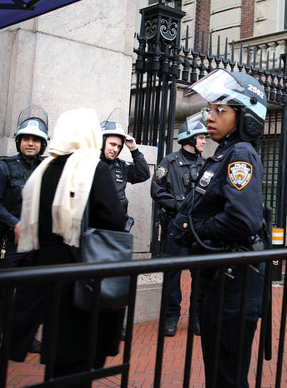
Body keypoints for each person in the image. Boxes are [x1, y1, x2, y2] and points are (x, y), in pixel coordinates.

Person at [8, 108, 128, 382]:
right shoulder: (92, 167)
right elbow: (115, 218)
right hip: (80, 270)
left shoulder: (44, 168)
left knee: (58, 352)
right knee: (78, 357)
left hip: (46, 272)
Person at [170, 68, 267, 388]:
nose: (209, 117)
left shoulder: (241, 154)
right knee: (218, 369)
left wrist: (197, 228)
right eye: (209, 109)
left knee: (227, 372)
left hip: (234, 283)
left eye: (219, 110)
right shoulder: (222, 153)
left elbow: (243, 220)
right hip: (219, 279)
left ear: (243, 117)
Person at [0, 106, 49, 364]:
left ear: (42, 144)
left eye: (36, 140)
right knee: (1, 294)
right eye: (27, 139)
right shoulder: (4, 167)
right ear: (19, 141)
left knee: (30, 294)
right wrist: (15, 223)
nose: (31, 143)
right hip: (8, 242)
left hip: (35, 242)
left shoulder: (46, 168)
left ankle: (24, 338)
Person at [150, 114, 207, 337]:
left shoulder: (206, 164)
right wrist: (178, 205)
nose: (204, 141)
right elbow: (156, 189)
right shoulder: (169, 162)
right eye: (201, 137)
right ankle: (171, 317)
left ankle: (197, 318)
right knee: (172, 277)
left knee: (200, 275)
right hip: (175, 229)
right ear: (190, 139)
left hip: (198, 230)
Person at [100, 119, 150, 213]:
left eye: (119, 146)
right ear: (101, 142)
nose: (115, 149)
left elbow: (143, 174)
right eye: (112, 144)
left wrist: (134, 150)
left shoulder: (121, 166)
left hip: (117, 223)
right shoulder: (89, 164)